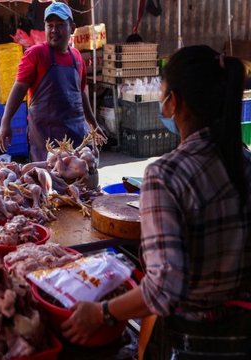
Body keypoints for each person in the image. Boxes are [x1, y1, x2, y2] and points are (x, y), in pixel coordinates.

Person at [61, 45, 251, 358]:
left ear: (171, 103)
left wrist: (101, 312)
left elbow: (164, 289)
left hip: (194, 344)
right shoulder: (244, 162)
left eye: (162, 90)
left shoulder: (165, 176)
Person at [0, 2, 106, 162]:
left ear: (72, 28)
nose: (54, 30)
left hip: (76, 134)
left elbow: (81, 93)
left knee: (80, 181)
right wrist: (5, 122)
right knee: (49, 181)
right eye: (50, 25)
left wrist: (93, 123)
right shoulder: (36, 54)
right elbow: (19, 88)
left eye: (60, 25)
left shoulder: (77, 57)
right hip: (46, 139)